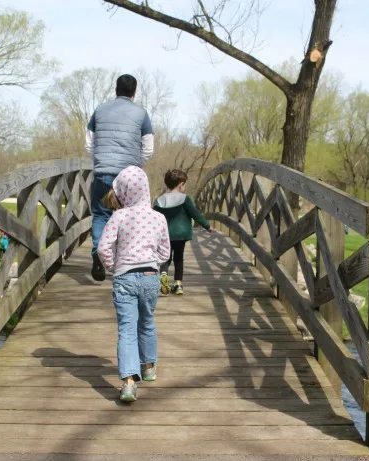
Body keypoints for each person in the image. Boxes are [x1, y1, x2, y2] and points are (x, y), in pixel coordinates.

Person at [97, 166, 170, 402]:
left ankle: (128, 384)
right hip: (150, 276)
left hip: (125, 278)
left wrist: (112, 266)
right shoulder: (158, 217)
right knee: (147, 321)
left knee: (127, 329)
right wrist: (153, 263)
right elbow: (165, 252)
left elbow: (103, 247)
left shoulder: (119, 216)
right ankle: (148, 368)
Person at [86, 74, 155, 281]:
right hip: (129, 175)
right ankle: (126, 262)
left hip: (103, 172)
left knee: (101, 215)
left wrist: (100, 161)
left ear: (116, 89)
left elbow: (89, 143)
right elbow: (148, 148)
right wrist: (135, 166)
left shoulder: (99, 110)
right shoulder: (141, 114)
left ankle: (99, 251)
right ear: (134, 92)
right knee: (130, 217)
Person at [154, 169, 213, 295]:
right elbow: (195, 214)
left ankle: (163, 274)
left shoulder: (160, 200)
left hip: (165, 235)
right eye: (184, 184)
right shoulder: (185, 199)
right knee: (179, 258)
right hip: (181, 234)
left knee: (166, 257)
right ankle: (178, 284)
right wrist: (207, 226)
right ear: (181, 184)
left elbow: (154, 217)